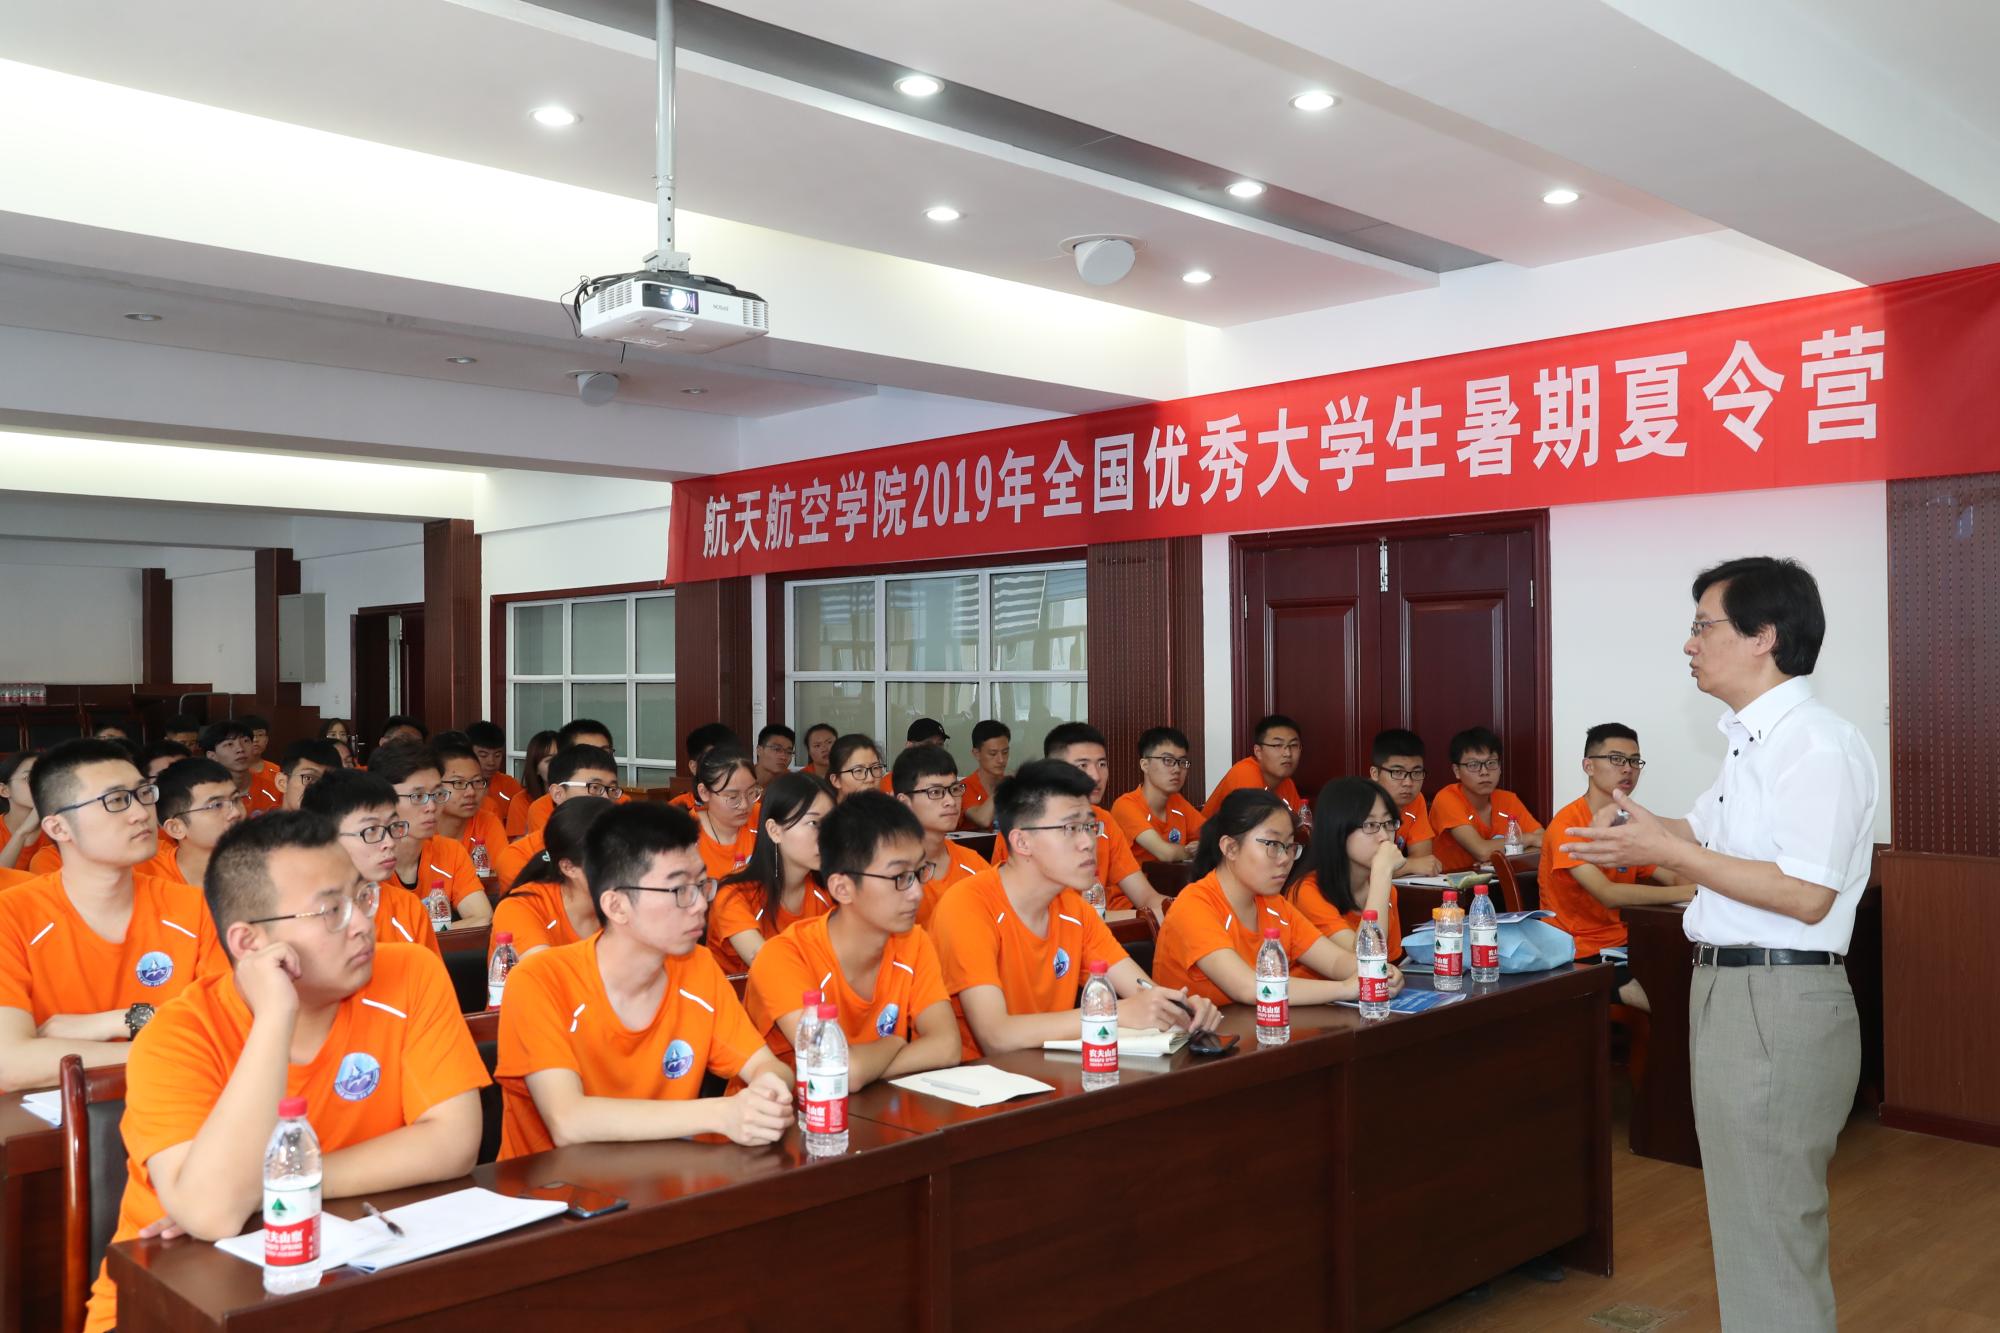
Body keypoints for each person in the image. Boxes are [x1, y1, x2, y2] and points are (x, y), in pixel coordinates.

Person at [1564, 557, 1876, 1332]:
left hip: (1778, 995)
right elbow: (1698, 832)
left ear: (1763, 635)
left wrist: (1667, 850)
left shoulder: (1816, 744)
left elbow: (1805, 893)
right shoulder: (1749, 741)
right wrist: (1637, 824)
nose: (1690, 643)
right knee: (1748, 1220)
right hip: (1731, 991)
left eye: (1704, 626)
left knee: (1770, 1230)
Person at [83, 812, 487, 1332]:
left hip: (343, 1283)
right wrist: (275, 1014)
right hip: (167, 1305)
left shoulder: (410, 972)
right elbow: (213, 1212)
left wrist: (272, 1187)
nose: (363, 924)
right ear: (249, 943)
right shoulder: (178, 1035)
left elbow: (454, 1143)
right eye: (332, 910)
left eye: (363, 896)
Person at [493, 803, 793, 1157]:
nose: (700, 904)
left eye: (702, 885)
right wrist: (721, 1113)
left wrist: (769, 1089)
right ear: (616, 905)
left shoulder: (699, 967)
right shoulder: (539, 980)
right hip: (551, 1182)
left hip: (668, 1171)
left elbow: (765, 1065)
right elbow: (568, 1121)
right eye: (679, 890)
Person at [929, 761, 1219, 1059]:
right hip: (976, 1078)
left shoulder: (1074, 909)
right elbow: (996, 1036)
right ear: (1022, 841)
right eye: (1070, 829)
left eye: (1090, 827)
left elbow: (1141, 991)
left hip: (1052, 1070)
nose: (1088, 843)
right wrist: (1115, 1013)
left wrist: (1181, 1007)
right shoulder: (967, 906)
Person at [0, 740, 227, 1091]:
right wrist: (168, 1049)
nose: (141, 813)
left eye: (143, 794)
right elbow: (10, 1063)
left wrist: (111, 1023)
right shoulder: (12, 915)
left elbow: (226, 1031)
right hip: (42, 1116)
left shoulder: (196, 908)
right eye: (116, 801)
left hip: (177, 1102)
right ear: (58, 828)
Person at [744, 793, 959, 1084]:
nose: (917, 892)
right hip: (790, 1109)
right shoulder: (784, 957)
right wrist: (895, 1043)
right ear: (842, 889)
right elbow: (833, 1069)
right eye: (899, 877)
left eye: (919, 872)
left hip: (878, 1104)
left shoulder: (914, 942)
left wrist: (861, 1066)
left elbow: (947, 1047)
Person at [1154, 790, 1396, 1007]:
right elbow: (1248, 987)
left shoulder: (1274, 904)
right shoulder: (1194, 905)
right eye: (1272, 844)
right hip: (1195, 1038)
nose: (1285, 859)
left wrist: (1378, 972)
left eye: (1289, 846)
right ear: (1230, 848)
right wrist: (1347, 988)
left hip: (1259, 1031)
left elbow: (1335, 962)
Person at [1540, 724, 1690, 1010]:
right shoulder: (1568, 825)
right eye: (1616, 759)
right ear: (1588, 766)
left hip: (1629, 943)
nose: (1627, 769)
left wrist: (1697, 879)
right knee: (1665, 1004)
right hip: (1581, 953)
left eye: (1634, 761)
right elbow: (1608, 893)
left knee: (1691, 974)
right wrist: (1689, 891)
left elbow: (1670, 875)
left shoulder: (1626, 821)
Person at [991, 724, 1169, 922]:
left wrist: (1182, 909)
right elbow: (1038, 915)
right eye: (1082, 766)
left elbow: (1146, 897)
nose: (1095, 776)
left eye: (1102, 764)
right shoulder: (1028, 826)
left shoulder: (1104, 821)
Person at [301, 769, 440, 955]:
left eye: (393, 826)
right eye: (371, 830)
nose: (389, 842)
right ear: (325, 839)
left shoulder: (408, 908)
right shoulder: (298, 916)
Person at [709, 773, 836, 972]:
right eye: (813, 823)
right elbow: (769, 966)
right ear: (774, 831)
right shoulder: (734, 895)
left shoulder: (830, 891)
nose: (827, 836)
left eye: (831, 824)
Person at [368, 742, 491, 925]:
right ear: (382, 799)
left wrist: (425, 934)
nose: (432, 806)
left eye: (437, 794)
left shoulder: (450, 851)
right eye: (418, 797)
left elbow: (483, 918)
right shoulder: (362, 862)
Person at [1292, 777, 1408, 961]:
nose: (1385, 836)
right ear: (1337, 829)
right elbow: (1367, 959)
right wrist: (1382, 873)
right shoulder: (1307, 892)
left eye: (1389, 823)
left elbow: (1388, 964)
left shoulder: (1384, 888)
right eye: (1370, 825)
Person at [492, 796, 612, 964]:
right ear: (568, 867)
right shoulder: (520, 907)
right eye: (610, 858)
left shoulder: (630, 902)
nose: (627, 868)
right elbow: (545, 972)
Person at [890, 745, 992, 928]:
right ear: (904, 803)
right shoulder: (886, 872)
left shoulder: (974, 865)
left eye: (954, 789)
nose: (950, 801)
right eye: (935, 792)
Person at [494, 744, 621, 891]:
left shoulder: (627, 847)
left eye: (612, 789)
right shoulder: (520, 857)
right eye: (595, 787)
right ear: (558, 793)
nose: (606, 798)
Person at [1430, 727, 1544, 871]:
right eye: (1473, 765)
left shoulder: (1508, 799)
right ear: (1457, 771)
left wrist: (1503, 859)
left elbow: (1544, 841)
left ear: (1500, 767)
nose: (1484, 772)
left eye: (1491, 763)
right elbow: (1482, 851)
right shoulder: (1447, 799)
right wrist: (1529, 839)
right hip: (1452, 882)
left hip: (1499, 880)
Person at [1110, 726, 1205, 865]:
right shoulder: (1126, 805)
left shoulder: (1177, 801)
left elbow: (1216, 838)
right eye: (1168, 760)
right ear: (1145, 765)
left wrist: (1206, 845)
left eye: (1182, 762)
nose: (1177, 769)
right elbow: (1165, 853)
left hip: (1172, 878)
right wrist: (1198, 850)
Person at [145, 758, 247, 886]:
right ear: (176, 828)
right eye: (216, 805)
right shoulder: (146, 877)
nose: (236, 812)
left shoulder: (265, 865)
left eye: (236, 799)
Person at [1201, 714, 1306, 823]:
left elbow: (1302, 825)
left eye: (1293, 745)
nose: (1287, 753)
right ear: (1258, 751)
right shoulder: (1245, 773)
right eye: (1277, 745)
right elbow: (1256, 827)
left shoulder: (1287, 783)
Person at [1369, 728, 1443, 875]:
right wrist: (1411, 866)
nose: (1408, 783)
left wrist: (1408, 865)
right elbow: (1360, 869)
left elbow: (1423, 860)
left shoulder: (1416, 800)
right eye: (1397, 772)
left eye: (1416, 773)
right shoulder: (1358, 802)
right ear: (1375, 773)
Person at [524, 719, 618, 833]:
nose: (598, 758)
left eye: (604, 752)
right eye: (594, 787)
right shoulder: (541, 809)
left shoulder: (619, 799)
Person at [431, 734, 508, 873]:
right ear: (435, 787)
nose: (471, 792)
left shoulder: (488, 822)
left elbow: (503, 874)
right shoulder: (421, 828)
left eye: (477, 781)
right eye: (458, 783)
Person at [465, 720, 526, 830]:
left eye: (497, 755)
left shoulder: (511, 785)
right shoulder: (459, 789)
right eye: (483, 755)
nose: (491, 762)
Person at [667, 723, 740, 811]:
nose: (723, 768)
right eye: (713, 761)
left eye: (729, 760)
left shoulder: (750, 808)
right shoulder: (675, 809)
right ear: (694, 767)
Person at [957, 720, 1010, 830]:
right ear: (976, 754)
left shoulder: (1014, 785)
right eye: (993, 754)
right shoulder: (964, 787)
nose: (1001, 760)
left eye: (1005, 752)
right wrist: (1002, 788)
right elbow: (983, 819)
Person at [2, 753, 47, 872]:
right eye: (29, 778)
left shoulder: (60, 824)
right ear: (4, 790)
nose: (41, 784)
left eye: (45, 776)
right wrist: (22, 832)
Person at [511, 729, 559, 836]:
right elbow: (519, 843)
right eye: (549, 761)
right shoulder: (522, 801)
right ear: (536, 768)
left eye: (561, 758)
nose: (557, 764)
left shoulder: (579, 794)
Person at [272, 738, 341, 813]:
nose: (321, 787)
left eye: (329, 779)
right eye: (309, 778)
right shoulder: (264, 820)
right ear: (282, 782)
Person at [825, 733, 886, 803]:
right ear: (836, 780)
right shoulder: (824, 810)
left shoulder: (889, 808)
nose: (870, 779)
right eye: (858, 770)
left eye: (875, 768)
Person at [752, 724, 797, 790]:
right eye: (777, 749)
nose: (783, 757)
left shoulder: (793, 783)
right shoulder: (742, 778)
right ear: (759, 750)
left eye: (789, 752)